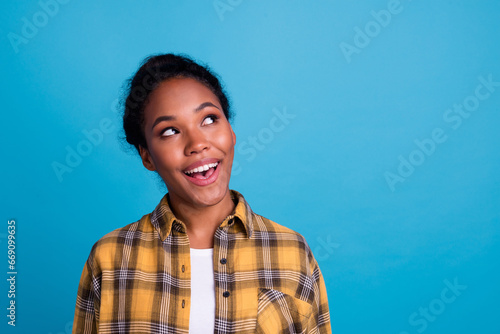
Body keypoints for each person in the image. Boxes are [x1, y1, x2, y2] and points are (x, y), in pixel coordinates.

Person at [72, 53, 332, 334]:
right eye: (170, 131)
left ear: (231, 132)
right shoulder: (109, 260)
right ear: (146, 156)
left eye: (209, 119)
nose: (197, 144)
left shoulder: (292, 252)